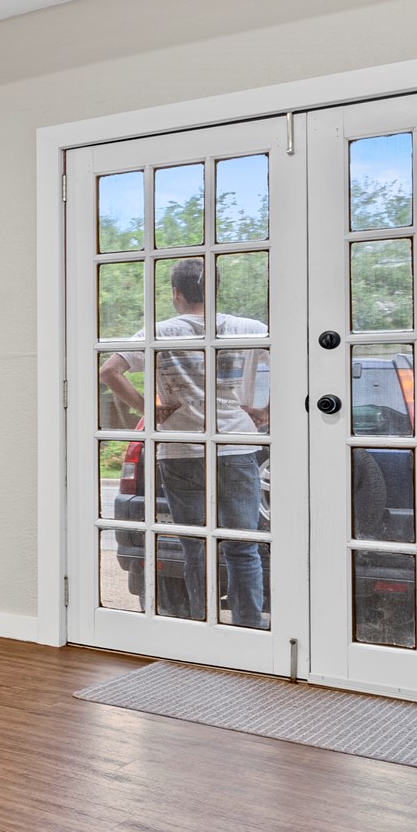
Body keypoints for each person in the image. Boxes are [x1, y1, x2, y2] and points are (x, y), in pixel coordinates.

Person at [97, 258, 269, 629]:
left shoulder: (160, 332)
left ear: (176, 294)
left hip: (180, 449)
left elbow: (109, 371)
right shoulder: (250, 328)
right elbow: (302, 363)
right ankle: (249, 629)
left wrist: (150, 410)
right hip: (236, 445)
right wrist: (267, 412)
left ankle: (204, 625)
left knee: (196, 546)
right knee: (243, 546)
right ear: (215, 290)